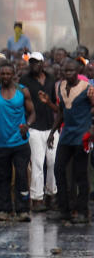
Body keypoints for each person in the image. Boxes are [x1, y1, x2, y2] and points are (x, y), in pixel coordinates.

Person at [0, 62, 35, 222]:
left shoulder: (23, 91)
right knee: (2, 177)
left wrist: (27, 125)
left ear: (14, 75)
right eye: (3, 74)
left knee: (21, 175)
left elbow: (32, 113)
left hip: (20, 142)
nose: (5, 77)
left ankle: (23, 210)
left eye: (9, 74)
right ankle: (4, 209)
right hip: (0, 142)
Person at [48, 59, 93, 224]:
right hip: (66, 136)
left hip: (82, 137)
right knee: (59, 169)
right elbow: (61, 112)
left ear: (78, 71)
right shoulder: (60, 87)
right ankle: (64, 209)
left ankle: (82, 210)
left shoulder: (87, 88)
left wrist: (91, 130)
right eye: (65, 71)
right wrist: (52, 132)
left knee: (81, 174)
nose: (68, 74)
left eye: (71, 71)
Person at [20, 52, 57, 211]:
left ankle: (51, 194)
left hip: (51, 126)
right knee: (37, 162)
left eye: (37, 62)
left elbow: (55, 104)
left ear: (43, 64)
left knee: (53, 161)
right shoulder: (25, 80)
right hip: (34, 127)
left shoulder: (51, 79)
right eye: (32, 62)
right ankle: (37, 199)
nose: (34, 65)